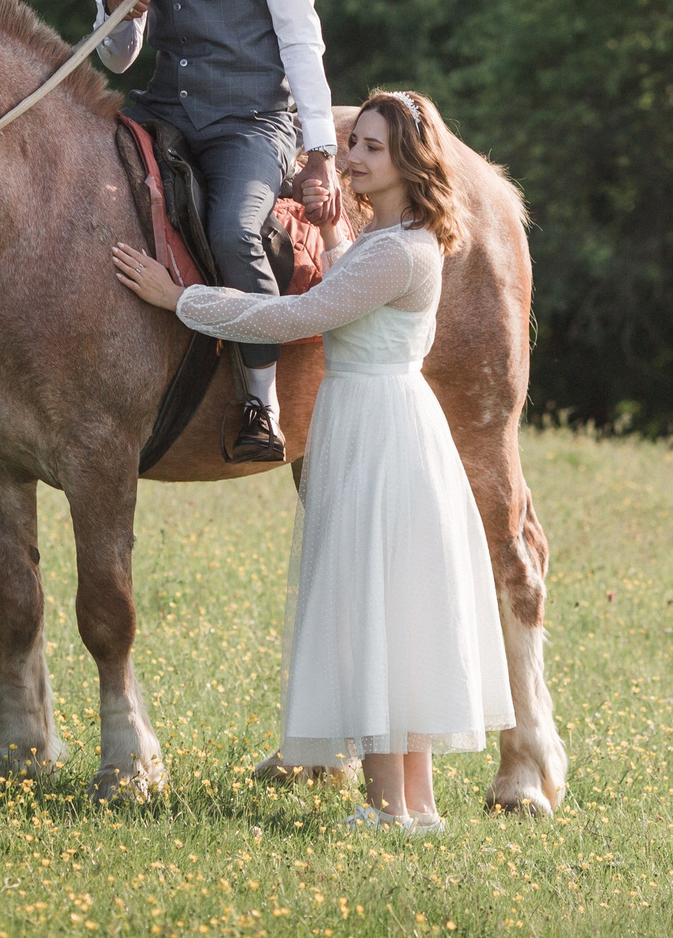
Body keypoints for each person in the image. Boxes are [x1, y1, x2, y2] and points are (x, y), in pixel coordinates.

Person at [111, 89, 513, 832]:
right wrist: (331, 235)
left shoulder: (398, 251)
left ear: (407, 163)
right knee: (389, 611)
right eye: (352, 142)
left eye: (368, 148)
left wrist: (182, 298)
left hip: (380, 429)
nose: (348, 157)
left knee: (380, 608)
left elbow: (299, 316)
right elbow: (345, 287)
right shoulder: (392, 240)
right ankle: (409, 803)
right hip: (371, 419)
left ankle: (396, 804)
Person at [94, 0, 339, 463]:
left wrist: (318, 151)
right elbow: (116, 58)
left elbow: (300, 33)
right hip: (162, 109)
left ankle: (259, 401)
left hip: (251, 117)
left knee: (234, 229)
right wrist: (117, 11)